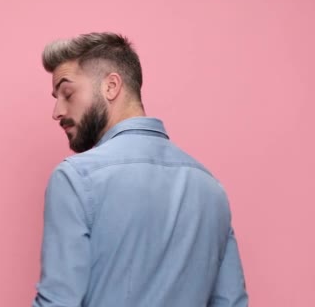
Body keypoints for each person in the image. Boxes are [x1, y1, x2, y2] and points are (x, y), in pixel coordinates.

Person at [32, 32, 248, 307]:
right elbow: (231, 302)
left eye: (67, 93)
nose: (57, 111)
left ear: (111, 86)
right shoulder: (210, 188)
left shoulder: (75, 178)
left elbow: (58, 303)